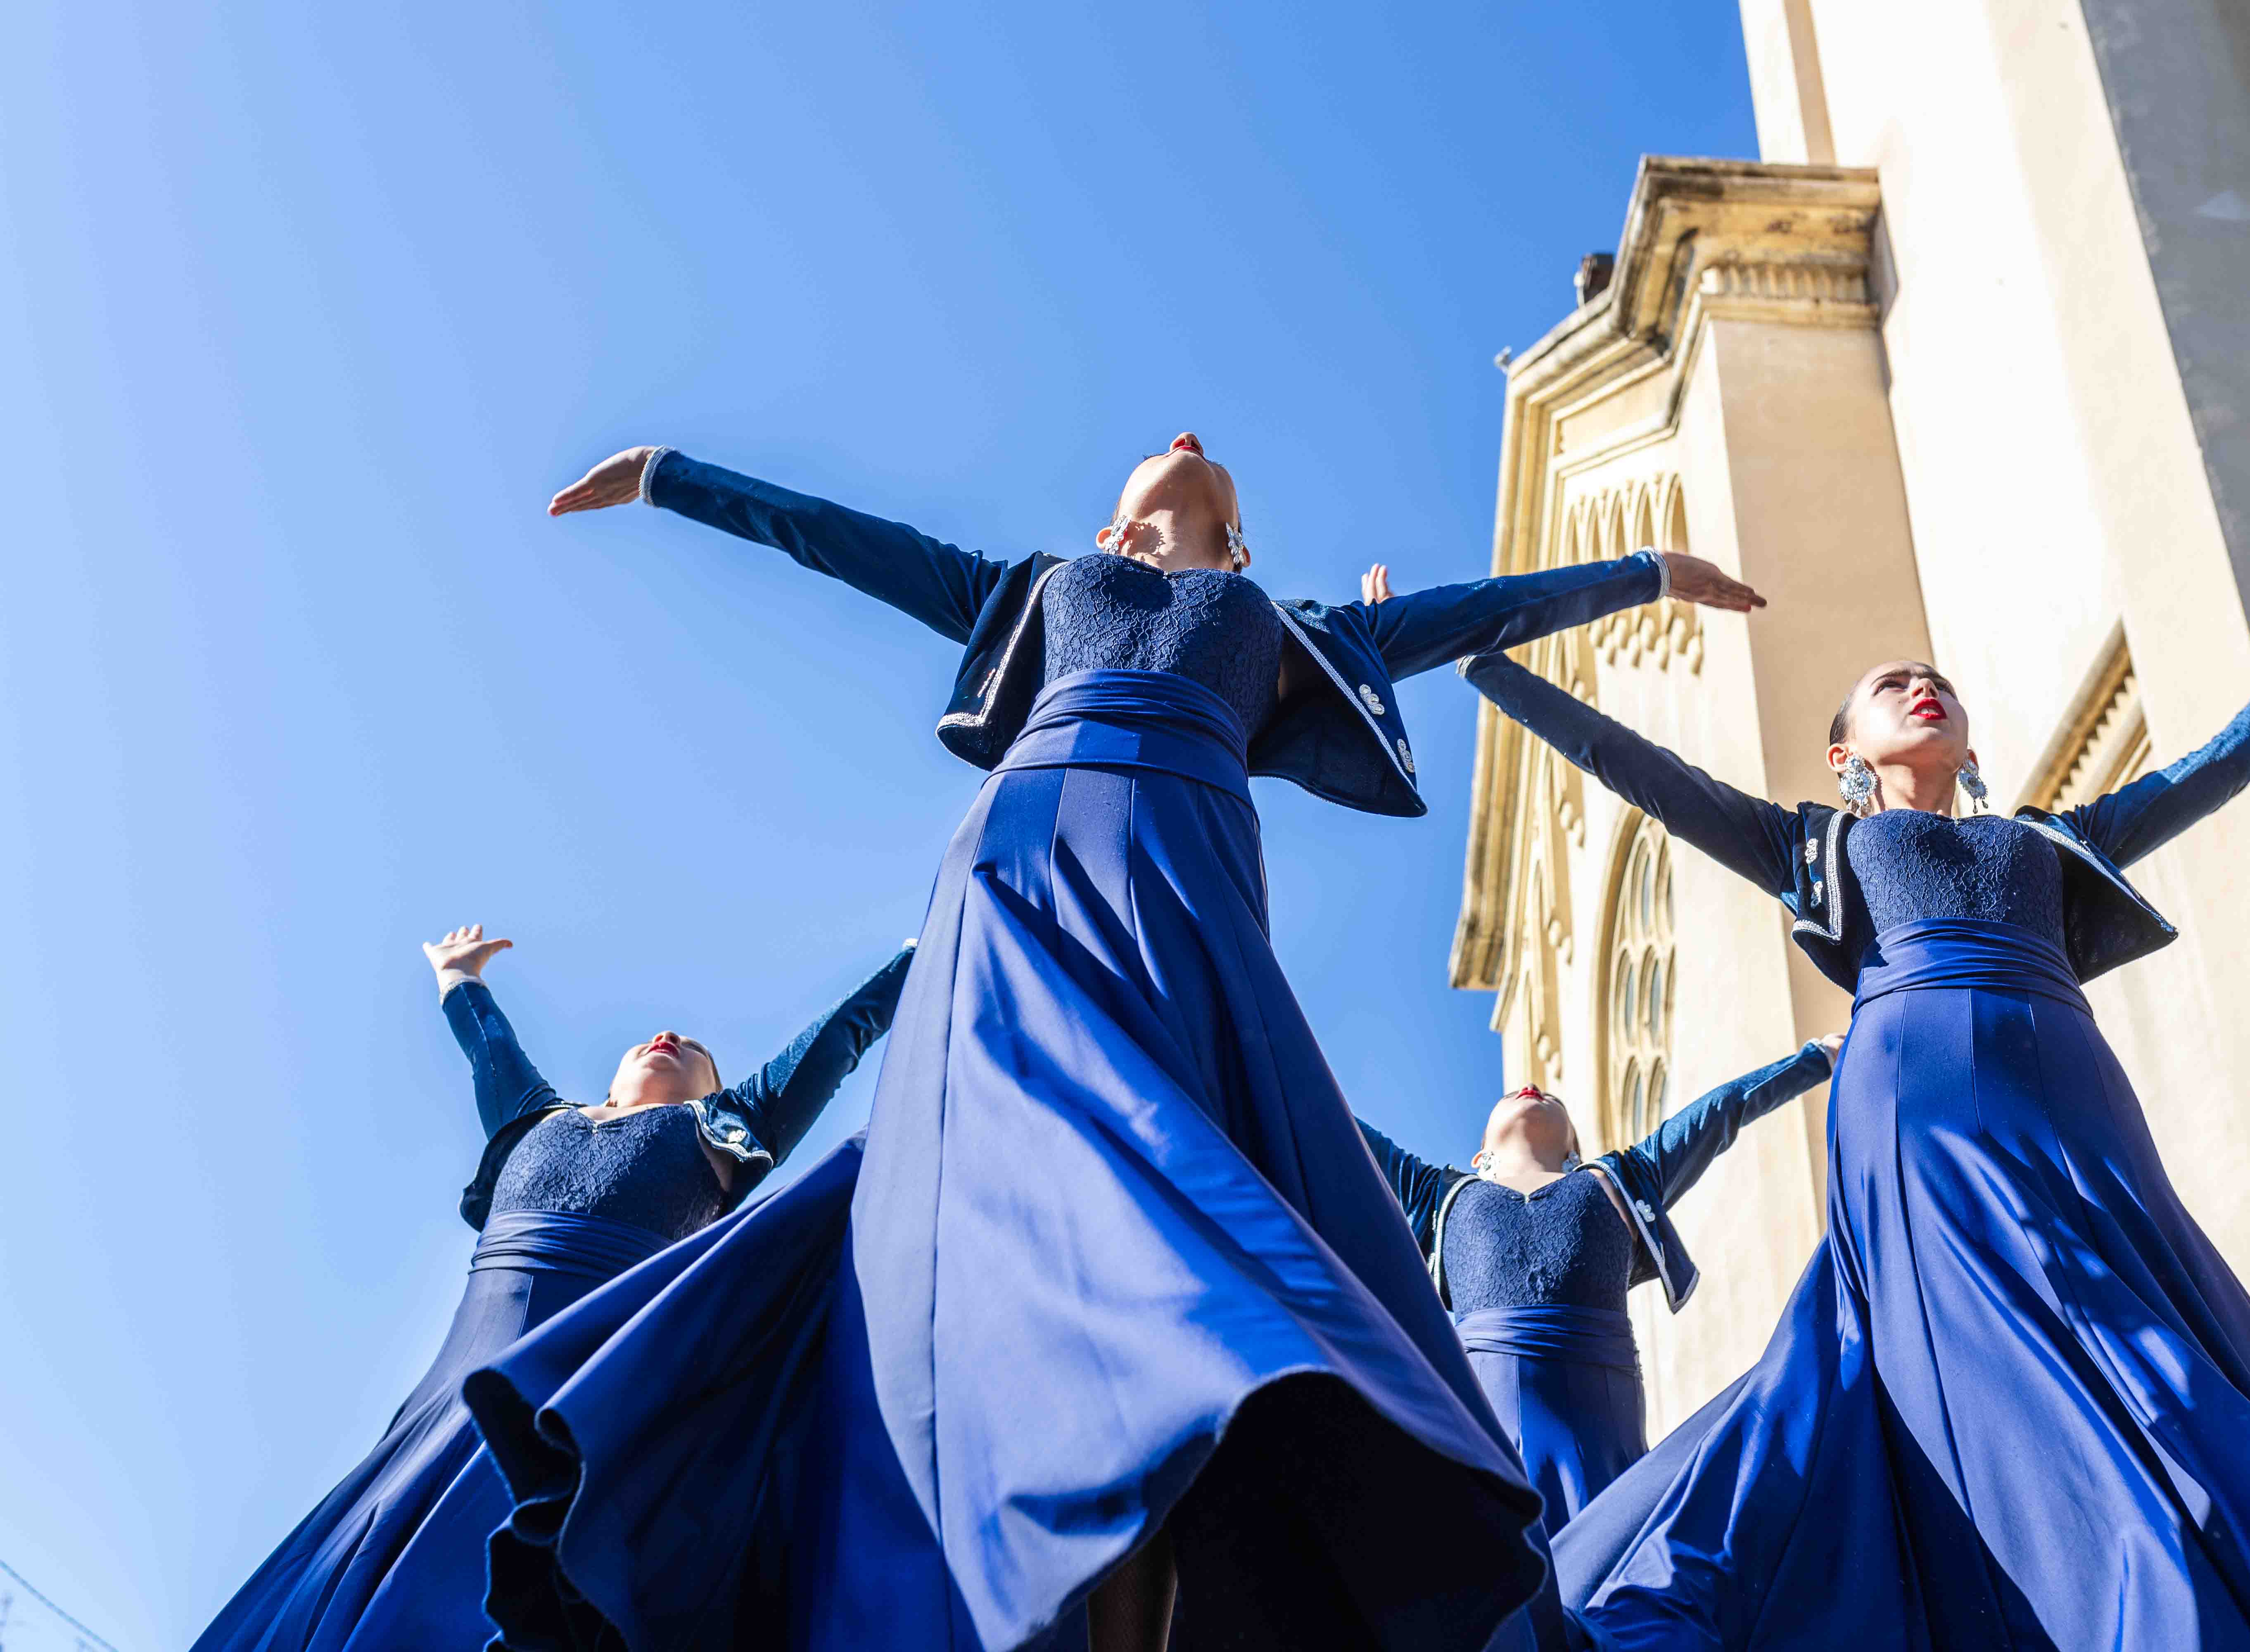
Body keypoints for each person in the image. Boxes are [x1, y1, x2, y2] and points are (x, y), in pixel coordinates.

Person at [463, 435, 1765, 1652]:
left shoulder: (1298, 633)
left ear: (1240, 549)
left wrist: (1647, 571)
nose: (1189, 437)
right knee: (1025, 1200)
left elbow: (1483, 609)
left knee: (1180, 1224)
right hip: (1019, 879)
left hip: (1186, 891)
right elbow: (840, 539)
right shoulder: (1042, 590)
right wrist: (671, 478)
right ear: (1107, 525)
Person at [1460, 609, 2250, 1650]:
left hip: (2073, 1109)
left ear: (1973, 744)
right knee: (1980, 1343)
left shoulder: (2044, 838)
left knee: (2140, 1324)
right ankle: (2114, 1579)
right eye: (1892, 682)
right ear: (1844, 753)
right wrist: (1490, 665)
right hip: (1917, 1111)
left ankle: (2206, 1556)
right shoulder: (1819, 842)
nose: (1921, 686)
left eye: (1934, 678)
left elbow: (2201, 776)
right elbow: (1642, 769)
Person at [189, 926, 911, 1652]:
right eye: (655, 1038)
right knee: (358, 1574)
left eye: (695, 1050)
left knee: (497, 1565)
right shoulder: (536, 1117)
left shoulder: (723, 1131)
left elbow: (842, 1034)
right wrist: (458, 975)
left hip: (581, 1389)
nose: (668, 1037)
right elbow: (490, 1049)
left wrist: (927, 950)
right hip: (453, 1390)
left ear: (720, 1092)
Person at [1356, 1044, 1839, 1537]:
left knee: (1599, 1574)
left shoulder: (1622, 1179)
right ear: (1481, 1156)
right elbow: (1337, 1126)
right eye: (1510, 1095)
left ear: (1575, 1152)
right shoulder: (1437, 1194)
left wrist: (1820, 1057)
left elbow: (1721, 1112)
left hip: (1601, 1444)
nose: (1533, 1089)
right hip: (1482, 1440)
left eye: (1554, 1100)